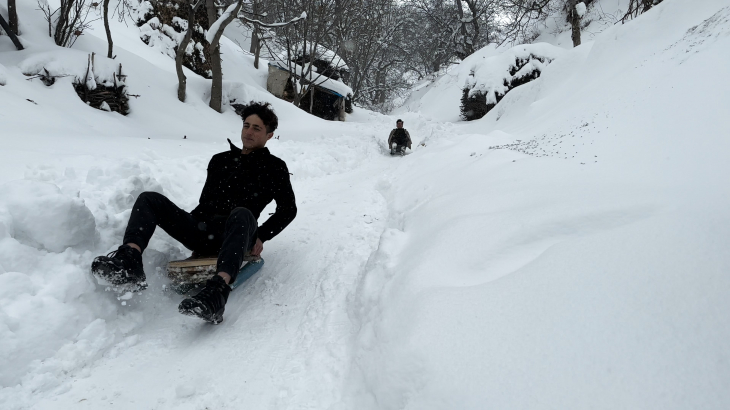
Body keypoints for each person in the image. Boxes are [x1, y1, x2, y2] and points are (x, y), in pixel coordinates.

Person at [91, 102, 297, 324]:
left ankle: (217, 292)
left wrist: (261, 235)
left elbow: (288, 209)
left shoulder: (275, 167)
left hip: (237, 234)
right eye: (246, 125)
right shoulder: (220, 161)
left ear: (269, 135)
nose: (248, 131)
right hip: (203, 232)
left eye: (257, 128)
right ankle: (130, 261)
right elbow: (205, 203)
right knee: (148, 199)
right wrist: (189, 225)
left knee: (242, 213)